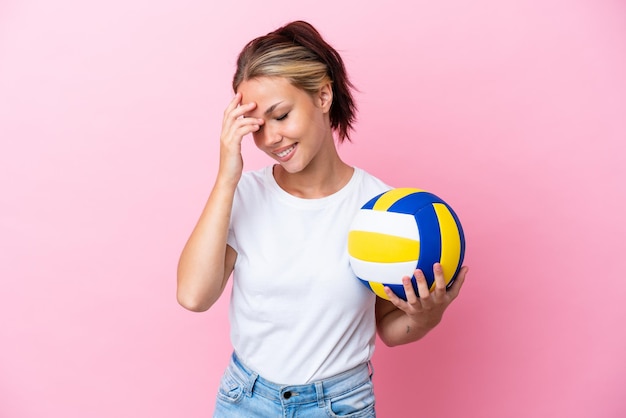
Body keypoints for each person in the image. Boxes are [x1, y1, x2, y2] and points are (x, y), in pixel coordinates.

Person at [177, 20, 468, 417]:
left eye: (280, 115)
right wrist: (228, 173)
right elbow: (194, 296)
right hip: (244, 400)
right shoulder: (244, 195)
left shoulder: (380, 210)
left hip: (338, 405)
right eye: (257, 127)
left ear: (323, 95)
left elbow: (390, 330)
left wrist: (428, 314)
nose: (269, 139)